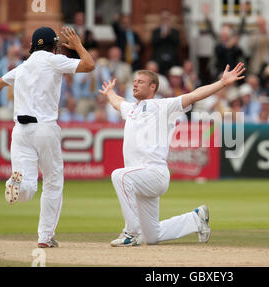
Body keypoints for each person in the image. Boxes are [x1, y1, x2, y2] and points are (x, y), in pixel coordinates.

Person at [0, 26, 95, 248]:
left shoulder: (23, 66)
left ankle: (13, 182)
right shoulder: (53, 60)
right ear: (53, 46)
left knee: (27, 185)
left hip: (20, 131)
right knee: (53, 183)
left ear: (33, 45)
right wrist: (78, 46)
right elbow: (89, 65)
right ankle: (45, 237)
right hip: (45, 128)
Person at [98, 62, 245, 246]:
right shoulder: (131, 109)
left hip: (153, 173)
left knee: (118, 176)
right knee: (152, 236)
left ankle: (131, 233)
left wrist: (222, 83)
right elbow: (118, 102)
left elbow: (194, 95)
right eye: (135, 81)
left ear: (153, 87)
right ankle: (195, 218)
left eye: (141, 82)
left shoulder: (163, 106)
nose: (135, 84)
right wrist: (110, 92)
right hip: (139, 178)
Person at [151, 9, 181, 75]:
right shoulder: (156, 31)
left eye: (166, 18)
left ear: (169, 19)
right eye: (163, 18)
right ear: (161, 19)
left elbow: (177, 43)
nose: (165, 20)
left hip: (172, 57)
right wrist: (162, 36)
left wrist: (170, 34)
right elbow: (153, 44)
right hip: (159, 57)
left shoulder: (175, 31)